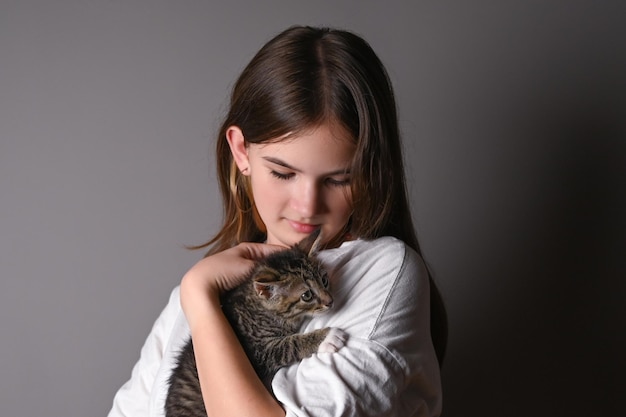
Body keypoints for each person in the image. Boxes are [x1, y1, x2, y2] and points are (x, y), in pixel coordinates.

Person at [108, 25, 446, 417]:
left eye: (339, 179)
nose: (307, 206)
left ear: (370, 170)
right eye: (284, 173)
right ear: (241, 151)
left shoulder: (384, 272)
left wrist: (201, 299)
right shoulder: (189, 301)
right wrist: (197, 294)